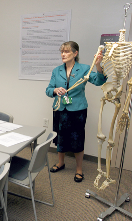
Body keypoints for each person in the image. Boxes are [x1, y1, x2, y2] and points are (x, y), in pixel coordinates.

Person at [45, 41, 107, 182]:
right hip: (60, 109)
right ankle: (61, 163)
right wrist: (55, 90)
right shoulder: (57, 70)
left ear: (75, 53)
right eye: (62, 51)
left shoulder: (84, 69)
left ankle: (79, 169)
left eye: (66, 51)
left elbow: (99, 81)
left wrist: (98, 65)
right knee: (60, 137)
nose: (63, 54)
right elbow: (48, 90)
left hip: (77, 110)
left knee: (77, 139)